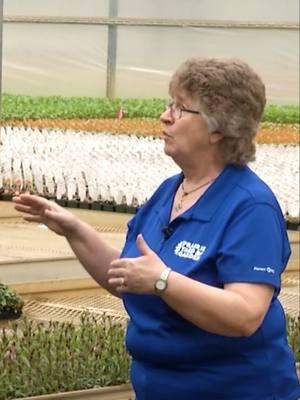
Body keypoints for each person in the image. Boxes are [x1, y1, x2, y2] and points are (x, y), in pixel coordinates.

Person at [13, 57, 300, 400]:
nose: (165, 116)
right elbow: (129, 277)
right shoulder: (169, 191)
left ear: (218, 127)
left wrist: (163, 280)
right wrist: (74, 229)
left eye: (181, 108)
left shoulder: (250, 207)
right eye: (169, 104)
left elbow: (245, 315)